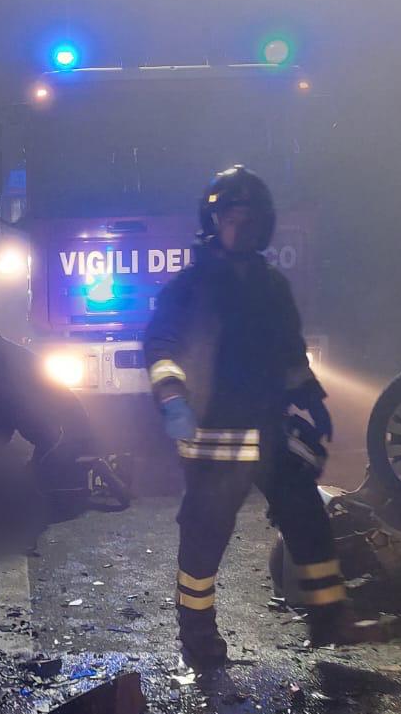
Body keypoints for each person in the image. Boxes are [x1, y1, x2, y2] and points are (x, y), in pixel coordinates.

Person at [143, 165, 362, 668]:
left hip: (269, 431)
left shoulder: (271, 286)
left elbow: (289, 353)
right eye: (230, 218)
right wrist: (172, 397)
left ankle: (330, 618)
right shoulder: (191, 285)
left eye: (249, 219)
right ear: (212, 222)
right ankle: (198, 636)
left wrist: (311, 397)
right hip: (214, 435)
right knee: (204, 539)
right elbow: (160, 344)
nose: (240, 228)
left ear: (264, 224)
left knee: (306, 517)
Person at [0, 326, 96, 513]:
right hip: (68, 417)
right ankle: (37, 488)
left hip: (65, 424)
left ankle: (39, 496)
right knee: (41, 448)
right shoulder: (5, 352)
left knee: (45, 448)